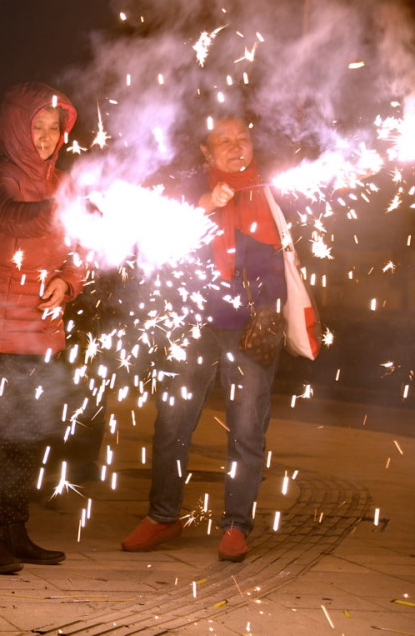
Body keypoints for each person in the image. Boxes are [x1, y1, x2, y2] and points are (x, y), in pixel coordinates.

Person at [121, 114, 288, 562]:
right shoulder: (187, 189)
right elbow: (162, 240)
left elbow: (283, 259)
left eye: (244, 139)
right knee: (172, 422)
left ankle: (236, 525)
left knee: (247, 429)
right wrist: (207, 203)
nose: (237, 148)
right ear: (206, 151)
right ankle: (162, 515)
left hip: (251, 330)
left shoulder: (268, 194)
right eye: (225, 141)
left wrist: (271, 311)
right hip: (192, 325)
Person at [0, 81, 87, 574]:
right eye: (38, 127)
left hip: (40, 331)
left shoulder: (65, 186)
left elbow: (81, 253)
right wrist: (65, 209)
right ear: (16, 128)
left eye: (55, 128)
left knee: (27, 437)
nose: (48, 137)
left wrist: (68, 283)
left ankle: (15, 530)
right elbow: (17, 218)